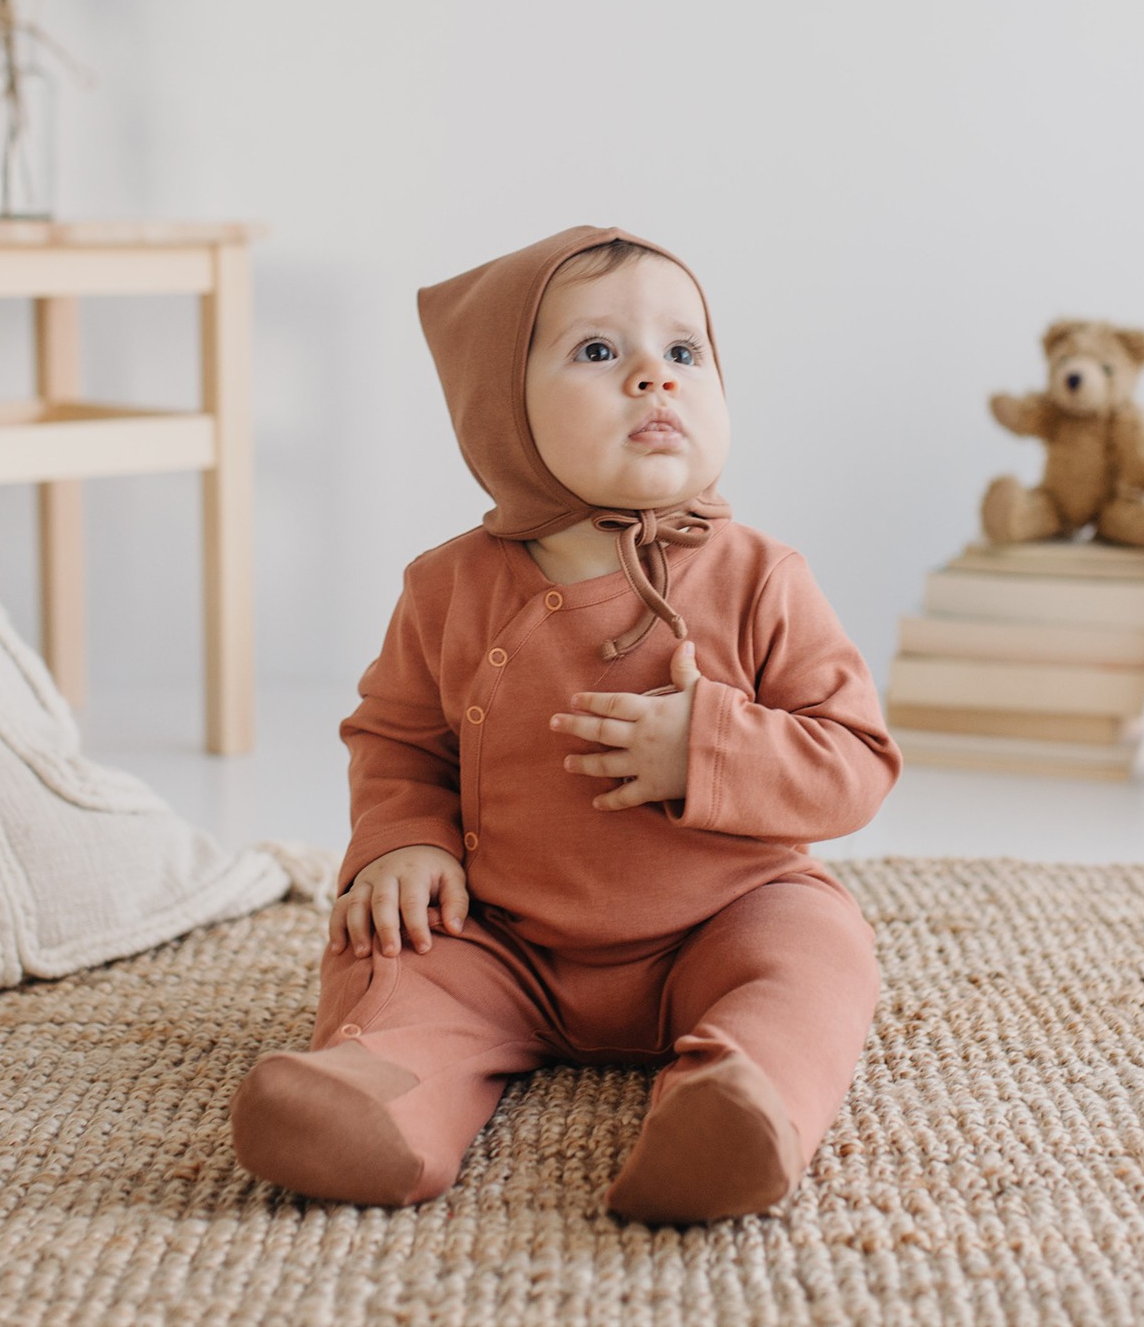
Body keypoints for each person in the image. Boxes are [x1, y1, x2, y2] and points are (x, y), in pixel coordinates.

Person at [231, 224, 901, 1223]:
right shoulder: (448, 586)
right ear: (501, 407)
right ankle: (378, 1100)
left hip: (720, 920)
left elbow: (856, 761)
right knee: (394, 947)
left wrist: (709, 745)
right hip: (502, 934)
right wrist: (402, 843)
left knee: (819, 951)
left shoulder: (764, 578)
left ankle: (739, 1103)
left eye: (684, 352)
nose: (653, 378)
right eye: (599, 352)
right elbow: (399, 740)